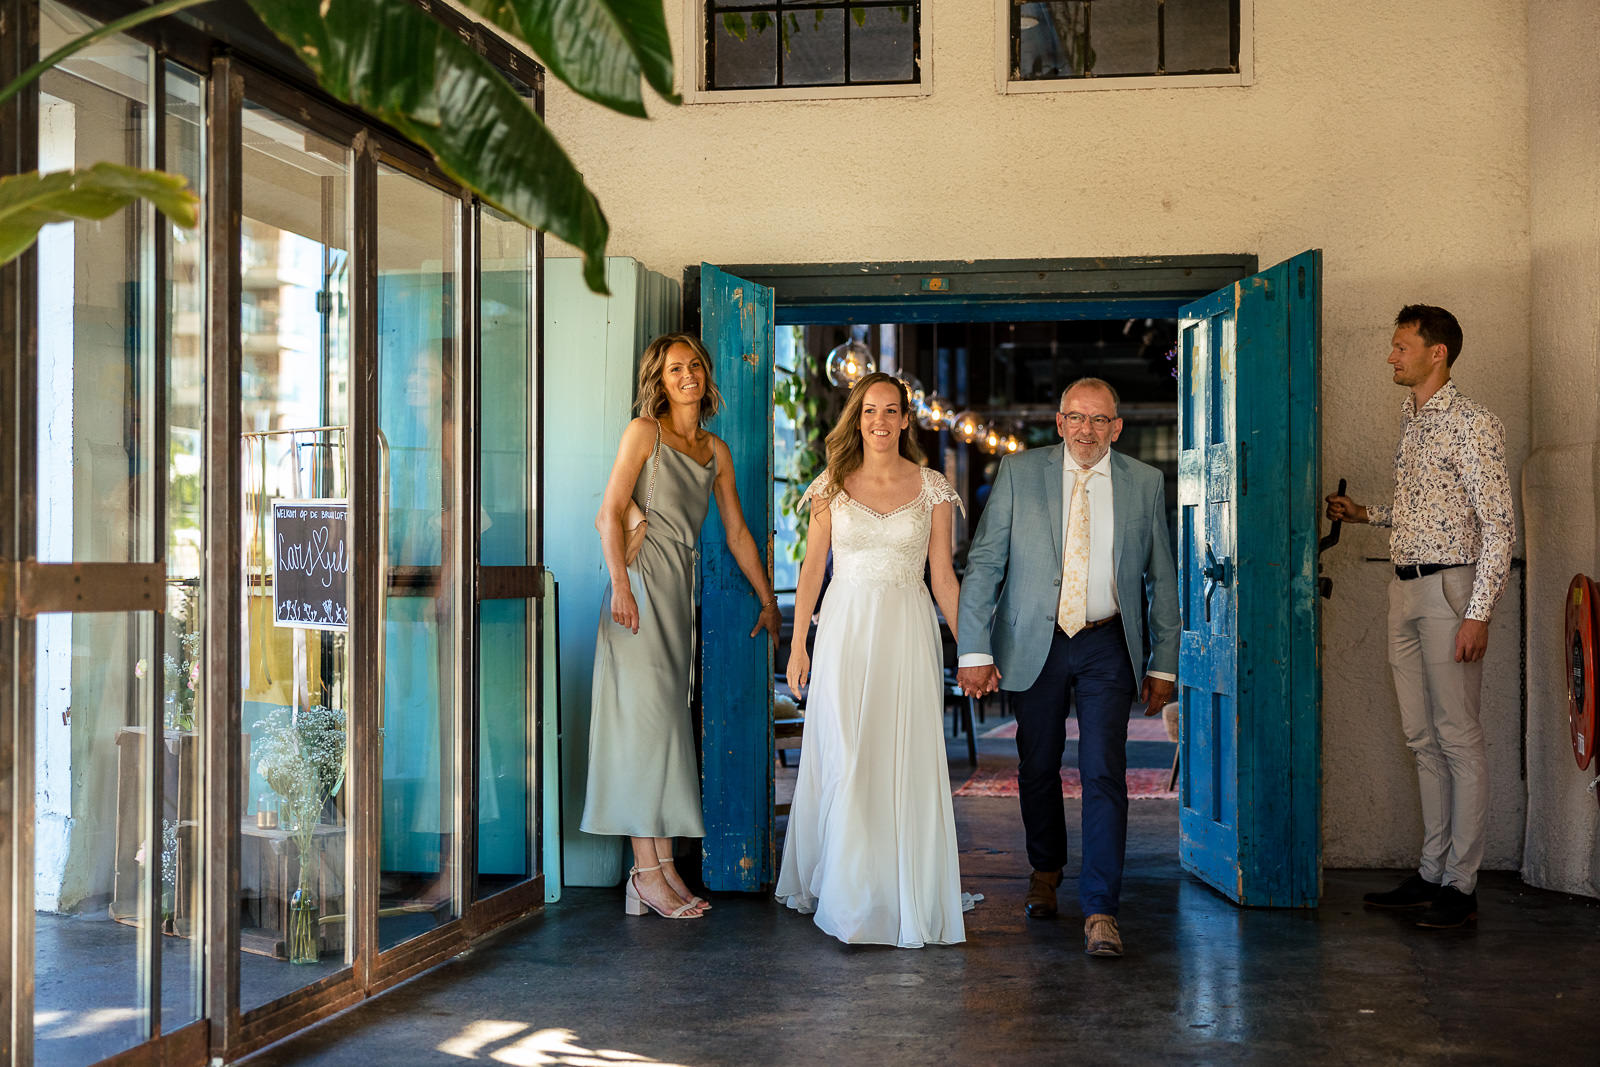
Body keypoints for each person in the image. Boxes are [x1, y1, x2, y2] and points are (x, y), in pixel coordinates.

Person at [956, 377, 1178, 959]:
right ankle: (1045, 870)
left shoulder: (1145, 482)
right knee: (1037, 764)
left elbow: (1163, 577)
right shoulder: (1019, 473)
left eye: (1099, 420)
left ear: (1117, 427)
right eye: (1076, 418)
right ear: (1059, 423)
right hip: (1036, 641)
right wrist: (975, 650)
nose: (1087, 430)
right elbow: (984, 564)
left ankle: (1101, 907)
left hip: (1108, 644)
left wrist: (1165, 664)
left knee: (1105, 771)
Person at [1324, 305, 1514, 930]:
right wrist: (1365, 514)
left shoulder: (1473, 423)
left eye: (1401, 345)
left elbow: (1497, 527)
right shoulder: (1413, 419)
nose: (1391, 355)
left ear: (1438, 353)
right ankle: (1432, 872)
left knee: (1459, 738)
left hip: (1451, 595)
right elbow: (1434, 514)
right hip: (1403, 591)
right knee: (1421, 738)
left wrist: (1478, 612)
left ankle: (1462, 886)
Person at [582, 333, 781, 920]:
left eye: (694, 366)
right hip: (639, 592)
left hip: (677, 598)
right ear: (660, 380)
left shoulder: (715, 451)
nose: (687, 376)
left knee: (666, 731)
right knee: (645, 733)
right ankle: (646, 874)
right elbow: (608, 513)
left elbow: (739, 533)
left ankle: (663, 868)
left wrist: (769, 601)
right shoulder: (645, 433)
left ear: (706, 375)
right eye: (675, 369)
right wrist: (621, 585)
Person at [775, 372, 967, 948]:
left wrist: (974, 651)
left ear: (907, 420)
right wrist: (798, 643)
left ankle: (897, 886)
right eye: (868, 411)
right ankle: (851, 893)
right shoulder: (832, 485)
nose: (879, 421)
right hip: (844, 631)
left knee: (898, 756)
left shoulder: (933, 488)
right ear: (856, 419)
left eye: (890, 411)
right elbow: (812, 568)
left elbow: (942, 578)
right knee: (849, 753)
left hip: (907, 632)